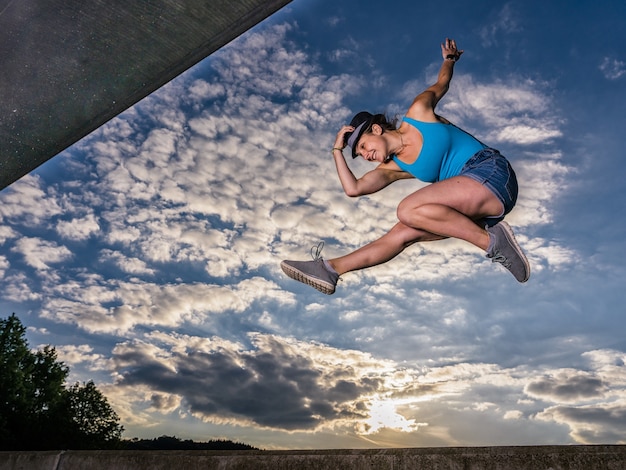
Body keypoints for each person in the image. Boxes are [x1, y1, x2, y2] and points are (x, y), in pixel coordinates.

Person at [281, 38, 530, 295]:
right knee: (403, 232)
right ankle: (331, 269)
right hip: (486, 208)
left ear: (376, 129)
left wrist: (449, 59)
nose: (366, 156)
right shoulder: (393, 168)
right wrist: (336, 151)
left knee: (407, 209)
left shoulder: (419, 113)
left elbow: (441, 83)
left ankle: (492, 242)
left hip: (491, 172)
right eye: (361, 156)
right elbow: (353, 189)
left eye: (364, 146)